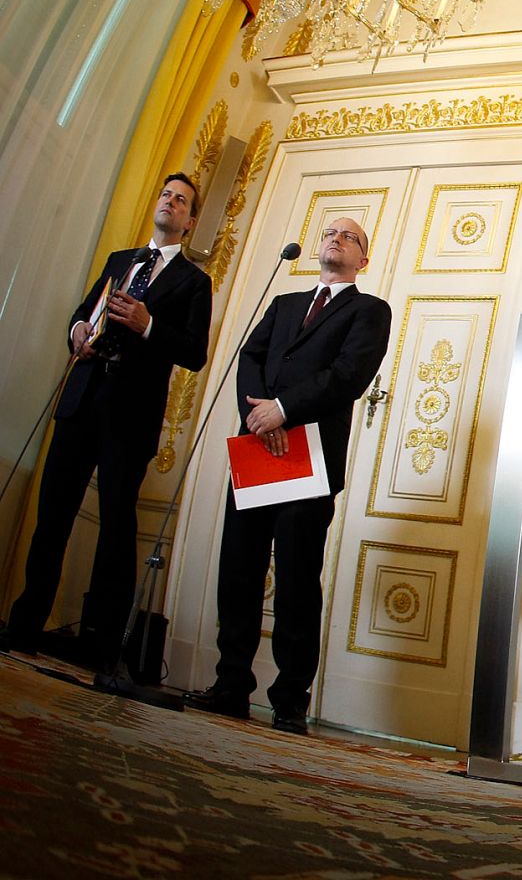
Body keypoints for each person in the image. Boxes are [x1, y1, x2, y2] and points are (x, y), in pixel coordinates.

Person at [185, 217, 391, 733]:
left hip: (311, 454)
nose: (335, 240)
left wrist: (284, 409)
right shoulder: (283, 305)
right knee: (239, 566)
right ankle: (230, 683)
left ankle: (290, 698)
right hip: (258, 447)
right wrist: (260, 413)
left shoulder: (369, 311)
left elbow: (348, 375)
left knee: (298, 575)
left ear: (363, 260)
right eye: (330, 233)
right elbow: (250, 357)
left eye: (350, 238)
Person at [1, 174, 212, 668]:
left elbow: (195, 353)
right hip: (81, 400)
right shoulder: (121, 261)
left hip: (130, 415)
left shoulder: (194, 282)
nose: (171, 202)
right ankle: (25, 623)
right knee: (51, 516)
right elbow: (83, 310)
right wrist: (77, 330)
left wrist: (149, 325)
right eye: (166, 194)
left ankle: (100, 643)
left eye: (181, 201)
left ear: (191, 221)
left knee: (116, 527)